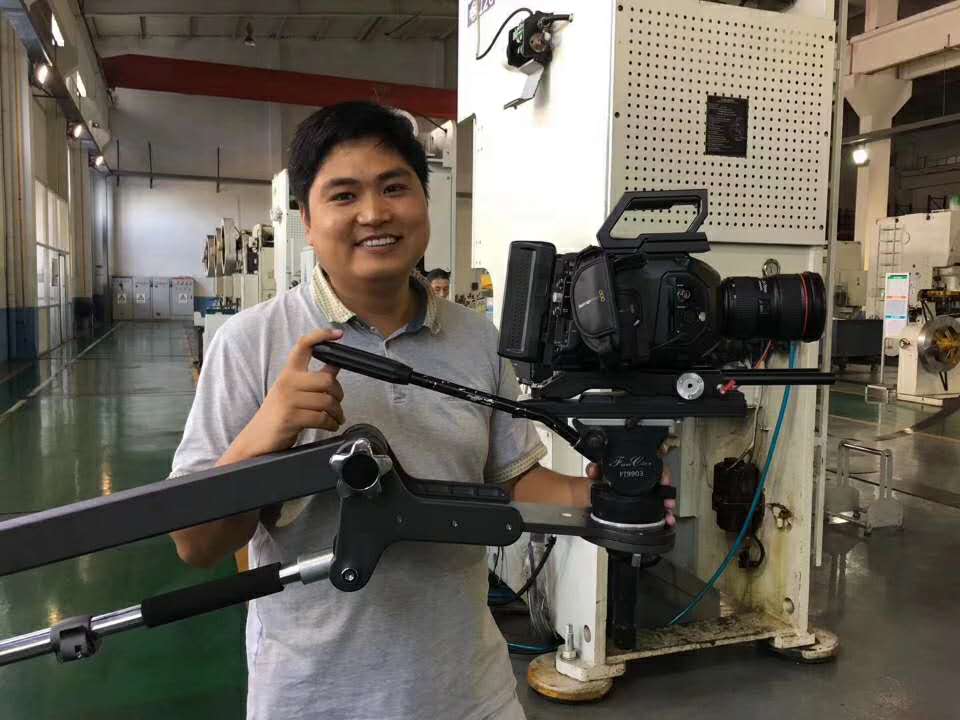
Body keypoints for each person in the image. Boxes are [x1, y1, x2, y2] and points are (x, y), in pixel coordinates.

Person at [168, 101, 674, 720]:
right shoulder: (249, 343)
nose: (374, 214)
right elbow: (196, 545)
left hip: (470, 694)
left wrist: (608, 495)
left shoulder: (477, 339)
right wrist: (264, 435)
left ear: (425, 202)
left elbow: (510, 482)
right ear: (307, 219)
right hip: (316, 700)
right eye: (344, 195)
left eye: (394, 187)